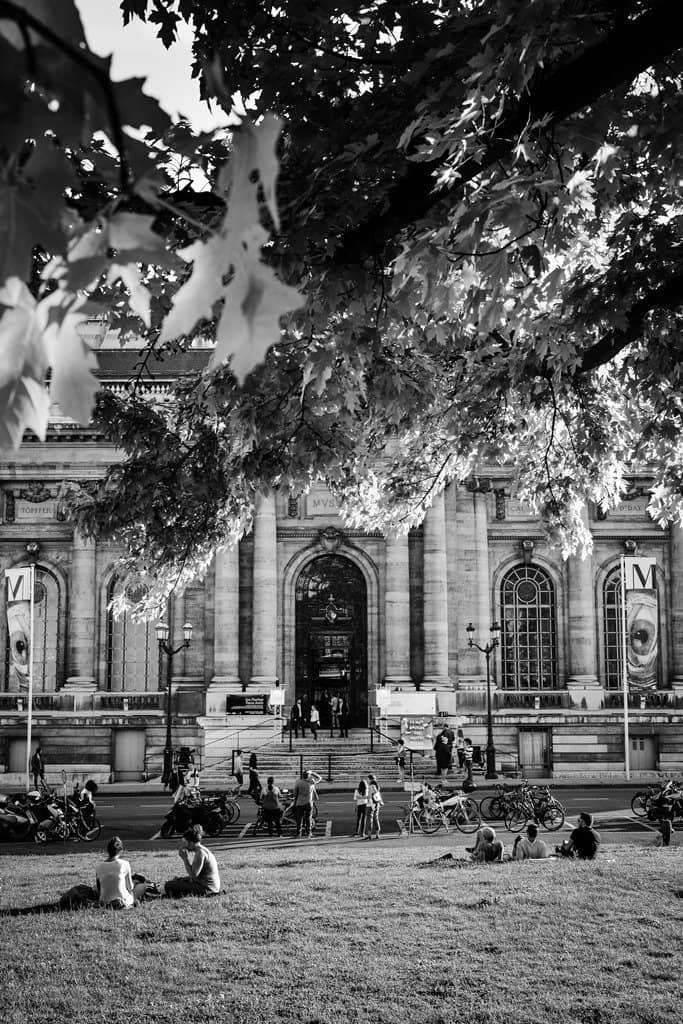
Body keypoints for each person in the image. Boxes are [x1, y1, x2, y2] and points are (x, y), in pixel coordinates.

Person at [164, 824, 221, 897]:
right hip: (207, 886)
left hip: (207, 889)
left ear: (191, 843)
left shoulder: (200, 854)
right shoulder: (202, 850)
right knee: (175, 882)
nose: (183, 845)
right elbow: (197, 877)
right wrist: (182, 879)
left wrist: (185, 859)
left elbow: (193, 876)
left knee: (168, 885)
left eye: (185, 843)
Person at [96, 836, 148, 909]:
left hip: (104, 901)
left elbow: (99, 889)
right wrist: (135, 883)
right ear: (119, 850)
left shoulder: (99, 866)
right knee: (142, 886)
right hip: (123, 901)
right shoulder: (125, 863)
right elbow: (130, 887)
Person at [292, 769, 318, 838]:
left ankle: (298, 833)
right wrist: (312, 772)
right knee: (308, 818)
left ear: (302, 776)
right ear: (308, 776)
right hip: (308, 803)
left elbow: (295, 794)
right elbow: (319, 778)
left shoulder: (298, 783)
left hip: (299, 803)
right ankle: (308, 833)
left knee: (299, 819)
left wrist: (295, 803)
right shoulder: (311, 783)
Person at [364, 773, 383, 839]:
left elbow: (369, 797)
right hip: (377, 804)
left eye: (367, 779)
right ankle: (377, 834)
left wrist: (363, 797)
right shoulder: (377, 786)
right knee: (376, 819)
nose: (367, 780)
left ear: (369, 779)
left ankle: (369, 835)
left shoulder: (370, 786)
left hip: (371, 804)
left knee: (369, 820)